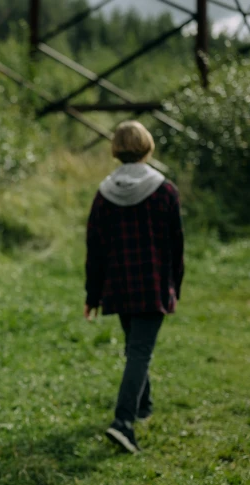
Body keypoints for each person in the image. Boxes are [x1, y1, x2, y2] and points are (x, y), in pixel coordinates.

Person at [84, 120, 184, 454]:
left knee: (135, 348)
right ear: (147, 146)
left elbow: (95, 250)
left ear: (116, 149)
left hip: (119, 287)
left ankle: (143, 407)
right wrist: (176, 287)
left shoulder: (104, 194)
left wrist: (93, 295)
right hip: (153, 286)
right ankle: (123, 422)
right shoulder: (165, 191)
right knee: (139, 351)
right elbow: (176, 246)